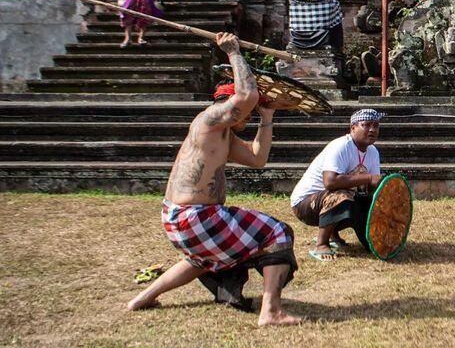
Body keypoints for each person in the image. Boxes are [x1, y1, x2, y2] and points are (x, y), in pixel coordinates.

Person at [126, 32, 302, 327]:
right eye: (241, 111)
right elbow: (246, 96)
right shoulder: (209, 120)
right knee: (277, 233)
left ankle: (144, 297)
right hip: (194, 216)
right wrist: (233, 52)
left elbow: (258, 158)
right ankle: (270, 312)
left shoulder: (225, 137)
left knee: (203, 259)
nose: (245, 114)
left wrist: (267, 118)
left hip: (182, 218)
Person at [289, 108, 384, 261]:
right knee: (341, 195)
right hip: (305, 204)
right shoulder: (340, 146)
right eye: (366, 125)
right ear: (353, 128)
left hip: (332, 199)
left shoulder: (373, 152)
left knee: (368, 200)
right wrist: (368, 178)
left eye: (376, 126)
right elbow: (330, 182)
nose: (372, 129)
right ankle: (321, 243)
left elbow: (370, 187)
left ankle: (334, 235)